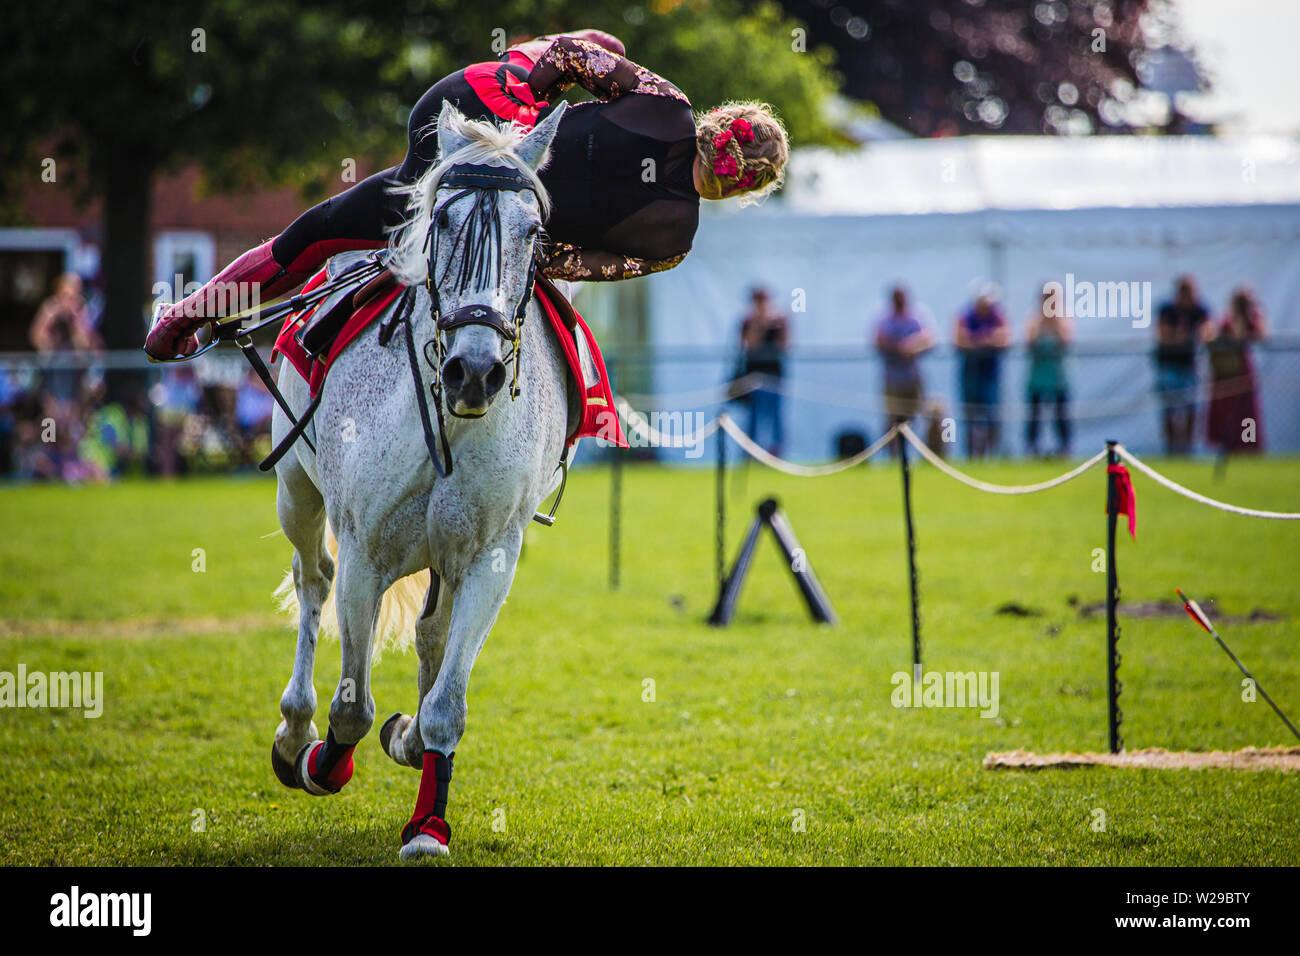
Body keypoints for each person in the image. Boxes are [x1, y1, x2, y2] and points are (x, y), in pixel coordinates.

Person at [145, 30, 790, 359]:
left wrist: (526, 110)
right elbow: (569, 265)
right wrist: (515, 213)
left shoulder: (666, 105)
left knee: (314, 235)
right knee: (331, 236)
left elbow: (570, 54)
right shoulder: (676, 239)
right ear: (747, 191)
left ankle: (186, 318)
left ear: (720, 121)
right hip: (489, 188)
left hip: (470, 120)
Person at [30, 272, 102, 420]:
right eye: (66, 295)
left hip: (75, 380)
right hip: (52, 378)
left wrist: (76, 323)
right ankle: (51, 439)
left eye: (74, 295)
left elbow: (86, 347)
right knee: (51, 420)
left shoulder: (81, 312)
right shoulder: (50, 309)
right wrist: (50, 320)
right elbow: (37, 340)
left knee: (74, 418)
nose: (69, 301)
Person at [1205, 287, 1266, 461]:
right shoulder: (1227, 319)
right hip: (1227, 377)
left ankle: (1249, 447)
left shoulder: (1252, 318)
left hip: (1244, 375)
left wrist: (1256, 313)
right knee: (1227, 416)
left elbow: (1261, 335)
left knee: (1247, 417)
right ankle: (1228, 448)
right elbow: (1228, 335)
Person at [1154, 275, 1209, 455]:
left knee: (1191, 408)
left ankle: (1187, 449)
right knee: (1169, 410)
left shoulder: (1199, 310)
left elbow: (1208, 333)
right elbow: (1162, 336)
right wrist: (1183, 338)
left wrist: (1183, 337)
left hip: (1189, 367)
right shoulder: (1167, 310)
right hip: (1168, 366)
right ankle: (1171, 448)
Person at [873, 285, 935, 443]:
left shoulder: (917, 316)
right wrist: (899, 348)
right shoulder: (884, 319)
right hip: (892, 378)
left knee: (915, 416)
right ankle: (893, 457)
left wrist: (912, 347)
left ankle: (918, 454)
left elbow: (929, 339)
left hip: (913, 377)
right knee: (892, 419)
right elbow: (879, 341)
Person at [954, 285, 1009, 458]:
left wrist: (977, 341)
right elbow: (960, 340)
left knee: (992, 417)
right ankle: (972, 456)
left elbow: (1004, 339)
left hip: (990, 375)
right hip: (970, 374)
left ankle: (991, 456)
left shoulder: (997, 316)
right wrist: (986, 341)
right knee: (970, 417)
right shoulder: (966, 317)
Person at [737, 287, 789, 455]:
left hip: (774, 375)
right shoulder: (748, 322)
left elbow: (784, 345)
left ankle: (776, 451)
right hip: (752, 376)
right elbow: (748, 345)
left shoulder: (779, 320)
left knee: (775, 416)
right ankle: (750, 451)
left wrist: (778, 324)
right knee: (753, 417)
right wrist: (759, 325)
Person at [1024, 287, 1073, 457]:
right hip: (1037, 378)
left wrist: (1055, 321)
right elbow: (1029, 342)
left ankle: (1064, 448)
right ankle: (1032, 448)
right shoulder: (1034, 319)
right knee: (1034, 417)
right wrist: (1042, 323)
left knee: (1061, 416)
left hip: (1059, 378)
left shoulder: (1063, 318)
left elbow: (1066, 340)